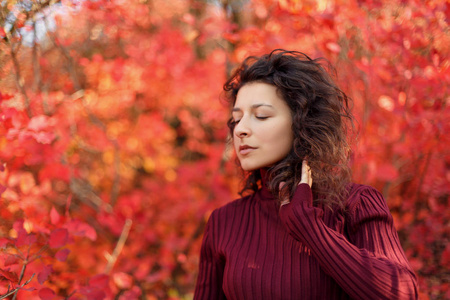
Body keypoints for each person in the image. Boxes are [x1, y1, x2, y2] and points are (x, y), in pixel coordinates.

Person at [194, 50, 418, 299]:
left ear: (302, 122)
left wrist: (309, 227)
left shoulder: (357, 204)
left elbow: (403, 293)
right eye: (236, 119)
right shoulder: (224, 222)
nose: (241, 130)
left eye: (261, 116)